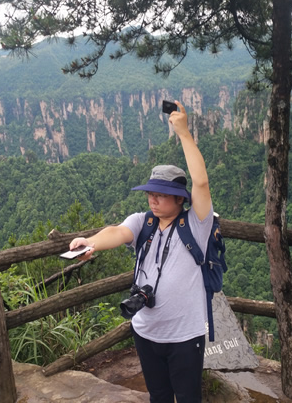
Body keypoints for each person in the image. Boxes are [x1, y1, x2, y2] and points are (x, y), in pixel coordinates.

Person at [69, 100, 213, 403]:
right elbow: (116, 232)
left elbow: (201, 182)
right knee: (158, 396)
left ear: (180, 199)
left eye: (162, 195)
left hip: (184, 337)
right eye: (151, 193)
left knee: (189, 398)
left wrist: (183, 133)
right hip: (145, 332)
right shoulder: (143, 222)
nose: (153, 200)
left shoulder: (196, 225)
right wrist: (90, 242)